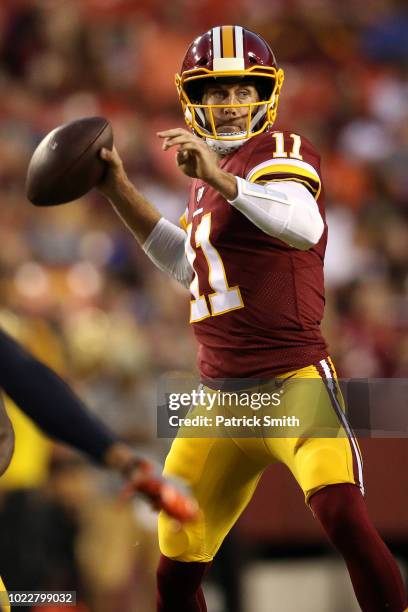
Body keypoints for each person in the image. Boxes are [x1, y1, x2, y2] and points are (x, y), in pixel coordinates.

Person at [97, 25, 408, 612]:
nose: (232, 103)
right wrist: (118, 190)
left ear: (265, 93)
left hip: (292, 383)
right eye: (216, 92)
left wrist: (220, 179)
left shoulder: (276, 154)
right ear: (194, 100)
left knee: (342, 513)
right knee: (176, 573)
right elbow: (190, 267)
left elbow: (303, 225)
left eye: (243, 89)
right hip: (221, 399)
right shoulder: (209, 181)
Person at [0, 327, 197, 522]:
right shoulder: (103, 392)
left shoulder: (149, 393)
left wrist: (119, 456)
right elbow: (28, 379)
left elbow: (29, 381)